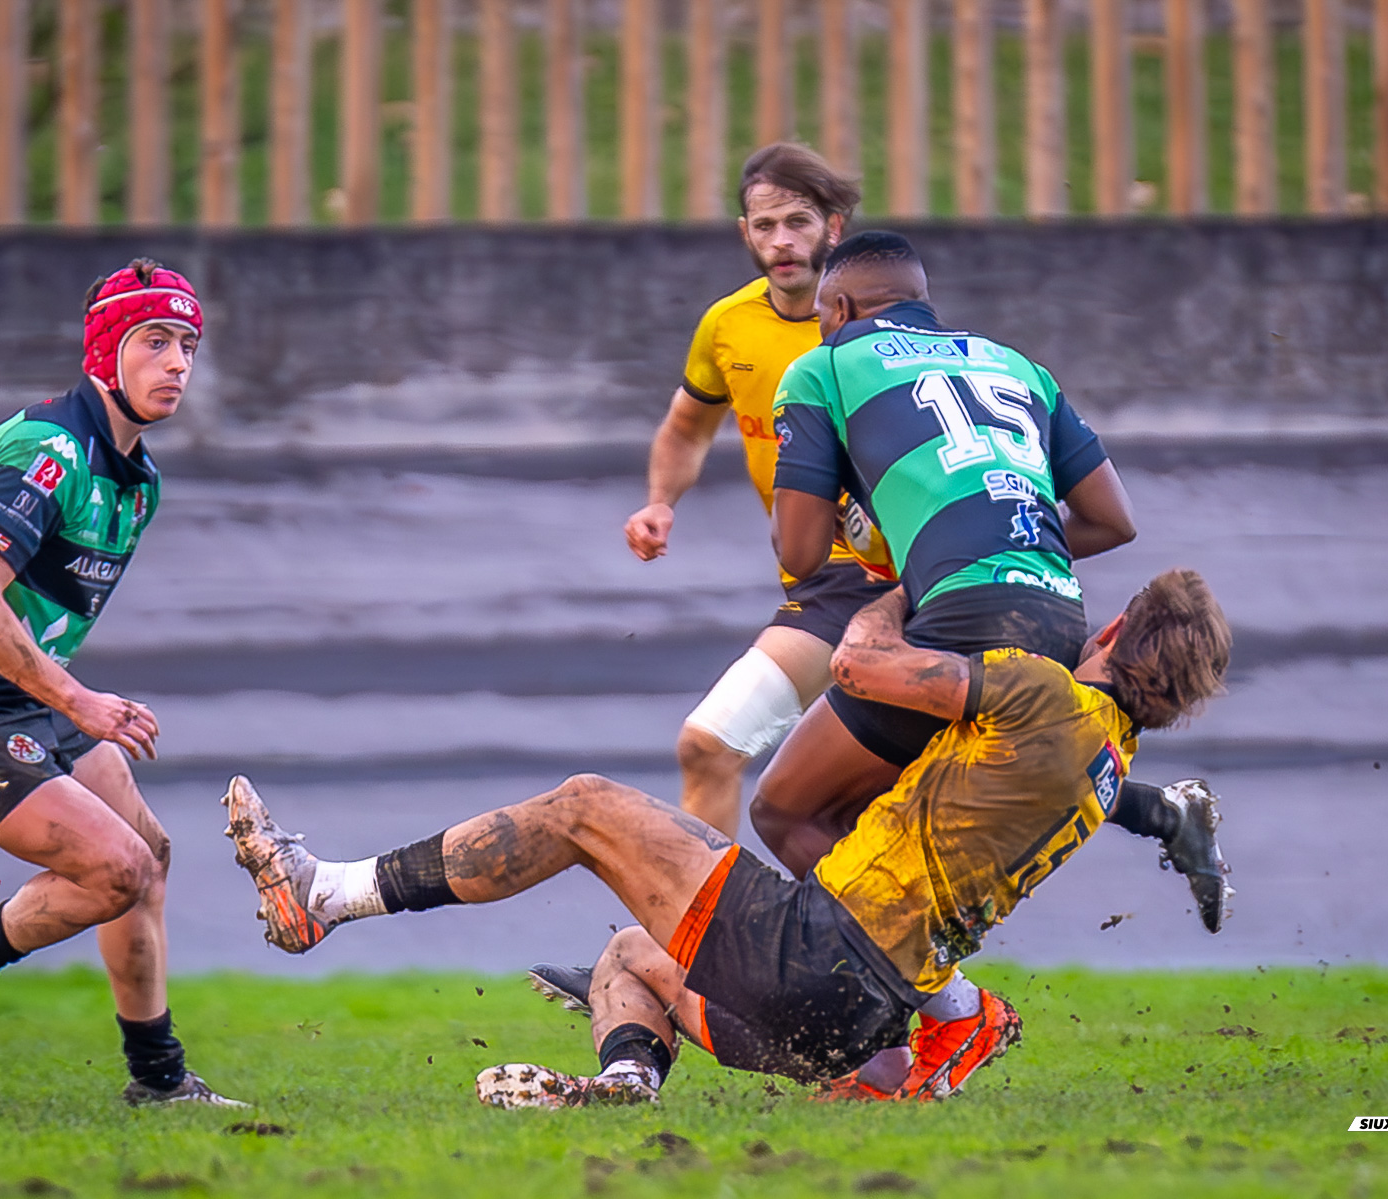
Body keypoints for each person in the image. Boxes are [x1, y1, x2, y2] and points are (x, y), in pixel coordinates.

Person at [221, 570, 1231, 1107]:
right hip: (854, 1022)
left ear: (1120, 626)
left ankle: (328, 895)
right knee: (625, 953)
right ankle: (625, 1081)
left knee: (583, 805)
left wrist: (895, 579)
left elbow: (862, 663)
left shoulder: (1041, 691)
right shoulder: (1108, 767)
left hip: (817, 952)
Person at [759, 230, 1228, 916]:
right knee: (964, 762)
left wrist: (867, 527)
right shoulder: (1015, 363)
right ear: (922, 301)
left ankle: (928, 995)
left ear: (838, 308)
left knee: (786, 810)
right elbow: (1113, 519)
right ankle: (1161, 813)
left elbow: (797, 555)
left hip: (958, 615)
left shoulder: (822, 366)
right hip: (1057, 612)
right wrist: (984, 537)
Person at [0, 259, 242, 1106]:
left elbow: (39, 621)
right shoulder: (48, 451)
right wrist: (79, 701)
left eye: (187, 343)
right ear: (106, 352)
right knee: (112, 868)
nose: (178, 362)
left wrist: (66, 698)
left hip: (14, 697)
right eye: (155, 341)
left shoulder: (136, 481)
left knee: (146, 855)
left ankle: (158, 1080)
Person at [621, 143, 898, 838]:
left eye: (798, 222)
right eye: (765, 225)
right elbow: (687, 427)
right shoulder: (728, 325)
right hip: (820, 585)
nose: (782, 242)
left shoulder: (881, 329)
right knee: (739, 763)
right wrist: (661, 501)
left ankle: (703, 943)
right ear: (744, 232)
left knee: (721, 748)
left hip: (891, 584)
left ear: (834, 228)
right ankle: (712, 944)